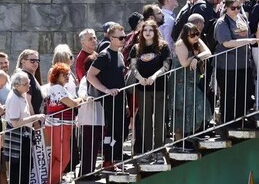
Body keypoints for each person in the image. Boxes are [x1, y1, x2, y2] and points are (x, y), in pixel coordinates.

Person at [86, 25, 127, 172]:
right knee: (111, 131)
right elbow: (90, 75)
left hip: (119, 99)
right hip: (109, 100)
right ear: (111, 38)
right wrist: (105, 90)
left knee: (119, 130)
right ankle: (108, 160)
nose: (123, 40)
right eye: (120, 38)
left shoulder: (120, 55)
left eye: (124, 37)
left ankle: (113, 159)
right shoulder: (105, 55)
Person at [129, 20, 170, 162]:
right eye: (145, 30)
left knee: (159, 120)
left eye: (150, 30)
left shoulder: (163, 46)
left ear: (155, 32)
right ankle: (147, 151)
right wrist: (140, 78)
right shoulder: (136, 48)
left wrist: (154, 76)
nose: (147, 32)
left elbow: (166, 65)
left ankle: (159, 151)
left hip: (159, 87)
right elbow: (133, 67)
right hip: (142, 88)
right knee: (145, 119)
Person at [213, 0, 255, 127]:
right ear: (226, 8)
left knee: (244, 93)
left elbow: (248, 33)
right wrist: (247, 41)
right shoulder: (222, 22)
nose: (236, 10)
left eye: (238, 7)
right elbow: (226, 42)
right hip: (227, 65)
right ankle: (227, 121)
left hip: (244, 64)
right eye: (233, 8)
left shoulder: (242, 18)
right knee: (229, 94)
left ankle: (240, 119)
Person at [4, 71, 44, 184]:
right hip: (17, 135)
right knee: (18, 168)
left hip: (25, 134)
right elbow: (15, 122)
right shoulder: (14, 98)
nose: (29, 86)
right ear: (16, 85)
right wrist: (35, 117)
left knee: (26, 166)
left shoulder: (21, 95)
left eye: (29, 83)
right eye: (26, 84)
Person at [171, 23, 212, 150]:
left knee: (199, 103)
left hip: (191, 80)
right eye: (192, 35)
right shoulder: (180, 44)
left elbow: (208, 52)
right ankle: (179, 141)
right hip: (179, 81)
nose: (195, 37)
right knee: (181, 109)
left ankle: (190, 135)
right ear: (185, 35)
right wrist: (195, 57)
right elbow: (184, 63)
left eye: (197, 34)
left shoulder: (197, 41)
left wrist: (196, 58)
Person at [44, 63, 83, 184]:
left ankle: (52, 183)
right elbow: (72, 103)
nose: (67, 77)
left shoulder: (59, 88)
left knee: (58, 156)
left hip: (61, 126)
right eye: (64, 74)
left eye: (68, 74)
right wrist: (81, 99)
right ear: (56, 76)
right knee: (64, 157)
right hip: (58, 125)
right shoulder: (57, 88)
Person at [74, 55, 103, 179]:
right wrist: (87, 98)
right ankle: (85, 173)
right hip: (88, 118)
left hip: (97, 118)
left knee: (94, 146)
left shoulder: (100, 79)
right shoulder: (86, 79)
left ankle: (90, 171)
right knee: (88, 146)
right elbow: (82, 92)